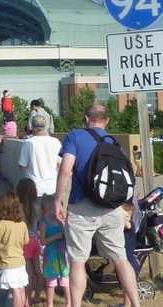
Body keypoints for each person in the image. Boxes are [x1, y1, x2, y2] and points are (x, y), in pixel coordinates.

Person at [55, 104, 142, 307]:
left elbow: (66, 170)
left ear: (86, 119)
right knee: (121, 259)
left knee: (77, 261)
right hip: (111, 208)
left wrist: (57, 199)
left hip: (82, 207)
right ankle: (136, 304)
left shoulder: (75, 136)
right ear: (107, 120)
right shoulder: (114, 143)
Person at [0, 191, 30, 307]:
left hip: (8, 262)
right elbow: (26, 241)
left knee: (15, 290)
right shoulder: (22, 224)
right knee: (21, 287)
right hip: (20, 261)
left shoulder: (2, 224)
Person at [18, 114, 62, 200]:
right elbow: (61, 163)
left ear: (32, 126)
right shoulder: (55, 142)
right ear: (46, 126)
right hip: (52, 188)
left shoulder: (28, 143)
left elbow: (22, 166)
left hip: (34, 188)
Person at [38, 196, 69, 307]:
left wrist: (63, 222)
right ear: (45, 209)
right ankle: (50, 303)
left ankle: (68, 303)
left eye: (56, 206)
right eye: (50, 206)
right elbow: (42, 241)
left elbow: (69, 236)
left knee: (65, 279)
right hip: (51, 255)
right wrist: (56, 236)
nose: (54, 209)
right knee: (51, 280)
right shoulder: (44, 223)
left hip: (63, 254)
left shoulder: (62, 221)